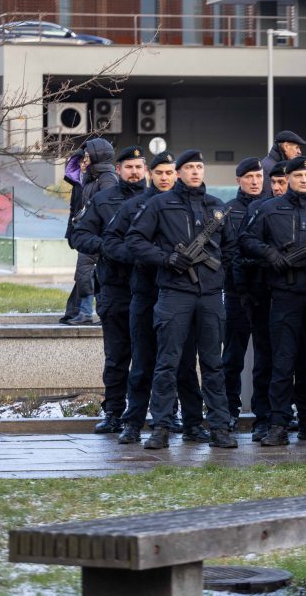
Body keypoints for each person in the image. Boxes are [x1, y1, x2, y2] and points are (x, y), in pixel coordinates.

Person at [126, 149, 238, 450]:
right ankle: (161, 427)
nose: (195, 172)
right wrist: (167, 259)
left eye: (200, 167)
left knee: (214, 364)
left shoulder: (216, 207)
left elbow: (229, 248)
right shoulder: (159, 205)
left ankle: (219, 427)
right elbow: (135, 240)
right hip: (175, 294)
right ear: (178, 172)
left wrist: (218, 275)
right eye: (189, 168)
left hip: (211, 296)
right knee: (167, 362)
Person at [103, 151, 204, 445]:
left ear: (177, 174)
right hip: (146, 294)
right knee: (144, 362)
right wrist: (139, 258)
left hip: (180, 294)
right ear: (151, 174)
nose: (164, 178)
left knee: (184, 363)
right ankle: (133, 423)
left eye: (169, 172)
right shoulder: (135, 205)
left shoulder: (187, 206)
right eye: (159, 173)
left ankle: (190, 423)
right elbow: (112, 241)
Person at [240, 155, 306, 447]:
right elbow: (246, 240)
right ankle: (278, 425)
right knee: (282, 363)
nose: (304, 180)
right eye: (298, 176)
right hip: (285, 296)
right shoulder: (269, 209)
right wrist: (270, 254)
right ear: (289, 179)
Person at [71, 146, 146, 433]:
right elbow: (80, 235)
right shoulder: (103, 199)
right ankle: (114, 412)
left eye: (139, 167)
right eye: (129, 167)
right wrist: (107, 247)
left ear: (145, 170)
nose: (134, 172)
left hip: (151, 289)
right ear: (119, 170)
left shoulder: (158, 200)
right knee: (116, 357)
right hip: (115, 288)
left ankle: (164, 412)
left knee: (156, 355)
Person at [222, 157, 271, 440]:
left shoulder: (270, 208)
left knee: (266, 356)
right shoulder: (228, 211)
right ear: (238, 179)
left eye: (258, 176)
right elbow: (226, 252)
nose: (255, 182)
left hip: (265, 292)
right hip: (237, 292)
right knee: (232, 356)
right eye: (249, 176)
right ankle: (229, 410)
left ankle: (264, 415)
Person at [66, 138, 119, 325]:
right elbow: (77, 210)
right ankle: (86, 312)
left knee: (92, 274)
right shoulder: (91, 179)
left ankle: (89, 313)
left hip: (99, 236)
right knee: (85, 274)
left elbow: (108, 210)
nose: (84, 160)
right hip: (90, 236)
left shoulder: (107, 179)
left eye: (87, 156)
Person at [60, 148, 88, 324]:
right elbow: (73, 210)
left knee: (86, 275)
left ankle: (82, 312)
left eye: (87, 160)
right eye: (81, 160)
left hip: (93, 236)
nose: (83, 163)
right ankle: (77, 312)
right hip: (83, 236)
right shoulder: (78, 183)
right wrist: (70, 232)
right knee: (84, 275)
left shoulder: (100, 181)